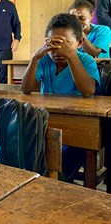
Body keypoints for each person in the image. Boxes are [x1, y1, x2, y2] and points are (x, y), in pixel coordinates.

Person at [21, 13, 101, 183]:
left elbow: (88, 90)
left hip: (78, 124)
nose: (58, 51)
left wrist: (71, 56)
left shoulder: (86, 60)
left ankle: (60, 181)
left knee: (66, 159)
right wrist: (35, 57)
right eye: (53, 44)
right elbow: (26, 89)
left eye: (66, 45)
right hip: (46, 122)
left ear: (79, 43)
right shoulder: (44, 61)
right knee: (31, 152)